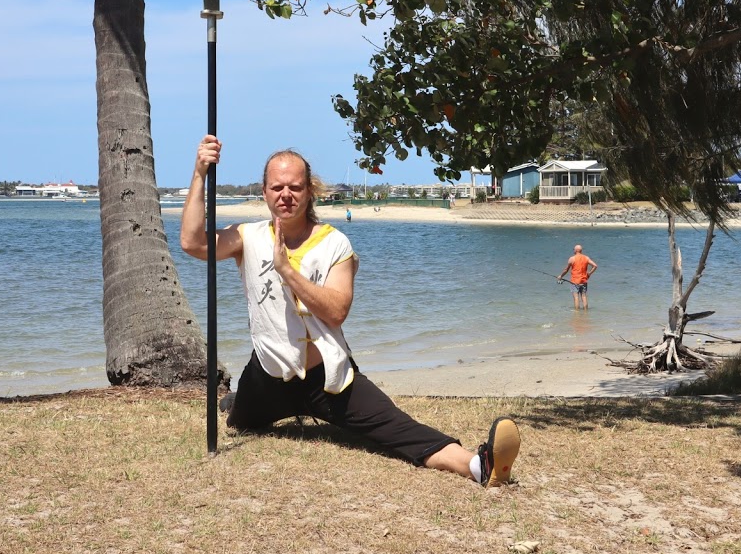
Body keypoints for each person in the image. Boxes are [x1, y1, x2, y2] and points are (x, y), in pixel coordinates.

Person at [180, 135, 521, 486]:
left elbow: (337, 311)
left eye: (295, 187)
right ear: (264, 192)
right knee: (239, 421)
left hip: (327, 379)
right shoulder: (247, 237)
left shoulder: (334, 243)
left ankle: (479, 466)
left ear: (309, 191)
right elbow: (193, 242)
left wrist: (288, 272)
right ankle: (235, 401)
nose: (286, 195)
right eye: (277, 187)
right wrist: (200, 172)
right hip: (267, 376)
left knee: (398, 427)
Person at [557, 244, 598, 310]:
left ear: (576, 250)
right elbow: (595, 266)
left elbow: (566, 270)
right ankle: (585, 312)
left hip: (574, 281)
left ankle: (577, 313)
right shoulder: (586, 258)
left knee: (576, 297)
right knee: (584, 297)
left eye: (574, 249)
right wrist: (589, 274)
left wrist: (560, 276)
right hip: (584, 281)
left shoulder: (572, 258)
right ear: (581, 251)